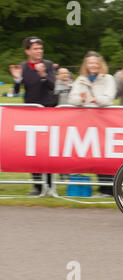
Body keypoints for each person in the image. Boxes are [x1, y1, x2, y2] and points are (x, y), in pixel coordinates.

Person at [9, 36, 56, 195]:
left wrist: (43, 74)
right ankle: (37, 185)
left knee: (47, 149)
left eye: (40, 48)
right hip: (30, 114)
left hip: (47, 111)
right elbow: (15, 91)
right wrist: (17, 80)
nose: (39, 51)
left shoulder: (48, 65)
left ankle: (49, 185)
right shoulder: (23, 66)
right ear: (27, 51)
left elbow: (52, 86)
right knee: (32, 149)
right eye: (35, 49)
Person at [68, 51, 116, 197]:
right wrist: (81, 100)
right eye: (90, 63)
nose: (93, 65)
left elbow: (109, 98)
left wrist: (96, 99)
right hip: (86, 124)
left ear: (100, 64)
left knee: (105, 154)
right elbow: (72, 98)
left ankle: (108, 189)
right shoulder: (81, 79)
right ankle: (102, 188)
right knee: (93, 154)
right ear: (86, 65)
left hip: (104, 122)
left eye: (96, 62)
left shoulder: (108, 78)